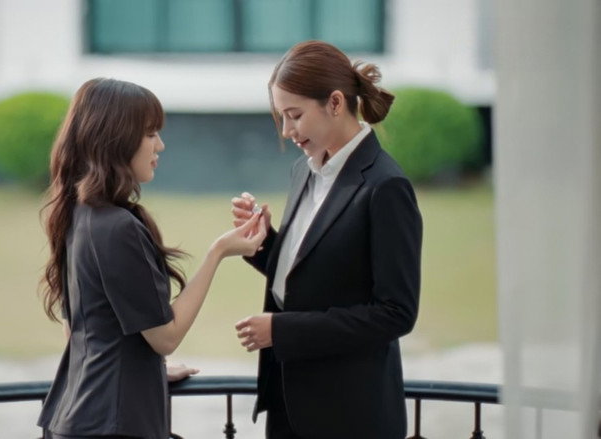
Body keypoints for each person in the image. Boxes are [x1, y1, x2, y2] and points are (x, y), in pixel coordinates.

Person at [37, 78, 267, 439]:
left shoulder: (78, 214)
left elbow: (80, 331)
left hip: (75, 415)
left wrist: (144, 371)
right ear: (115, 139)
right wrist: (219, 252)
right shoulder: (117, 226)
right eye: (149, 134)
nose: (160, 145)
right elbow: (165, 338)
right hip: (111, 426)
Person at [231, 41, 423, 438]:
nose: (287, 131)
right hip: (288, 402)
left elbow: (396, 313)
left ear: (335, 102)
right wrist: (264, 243)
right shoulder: (304, 171)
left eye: (294, 115)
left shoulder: (386, 186)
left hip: (350, 415)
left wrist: (281, 331)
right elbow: (315, 273)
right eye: (281, 117)